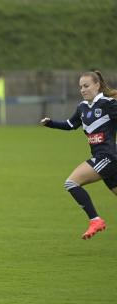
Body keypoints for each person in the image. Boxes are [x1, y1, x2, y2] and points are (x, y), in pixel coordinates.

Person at [41, 70, 117, 240]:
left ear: (97, 85)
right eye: (80, 87)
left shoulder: (108, 103)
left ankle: (95, 220)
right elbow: (70, 124)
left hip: (107, 157)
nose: (83, 89)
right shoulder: (82, 107)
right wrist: (50, 123)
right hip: (104, 158)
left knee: (71, 183)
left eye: (86, 85)